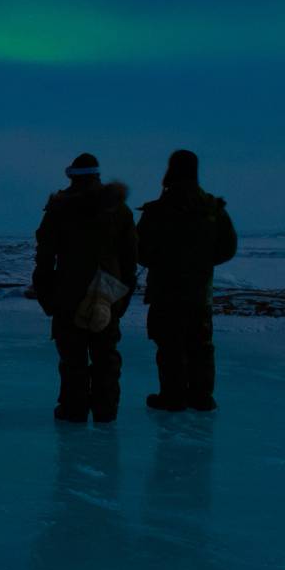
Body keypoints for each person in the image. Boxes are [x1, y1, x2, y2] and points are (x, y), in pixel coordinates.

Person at [33, 153, 137, 424]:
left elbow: (44, 257)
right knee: (106, 357)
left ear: (72, 176)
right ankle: (106, 411)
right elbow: (130, 259)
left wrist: (47, 296)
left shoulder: (59, 208)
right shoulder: (119, 210)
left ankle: (73, 409)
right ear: (97, 175)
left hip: (68, 293)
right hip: (107, 294)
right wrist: (122, 298)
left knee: (72, 359)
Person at [137, 149, 237, 412]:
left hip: (165, 291)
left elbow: (139, 249)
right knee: (200, 345)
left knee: (169, 344)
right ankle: (202, 397)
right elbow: (228, 248)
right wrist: (202, 263)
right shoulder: (211, 207)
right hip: (198, 291)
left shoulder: (158, 210)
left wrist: (160, 260)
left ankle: (172, 397)